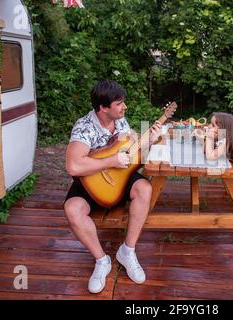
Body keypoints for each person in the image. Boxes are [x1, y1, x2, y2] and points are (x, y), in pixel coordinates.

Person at [64, 80, 162, 293]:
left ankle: (127, 251)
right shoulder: (84, 127)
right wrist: (110, 162)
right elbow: (73, 166)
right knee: (73, 210)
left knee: (144, 188)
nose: (124, 107)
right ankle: (101, 260)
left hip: (121, 179)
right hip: (91, 183)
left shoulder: (121, 121)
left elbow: (132, 151)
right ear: (103, 108)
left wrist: (150, 140)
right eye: (119, 103)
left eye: (123, 102)